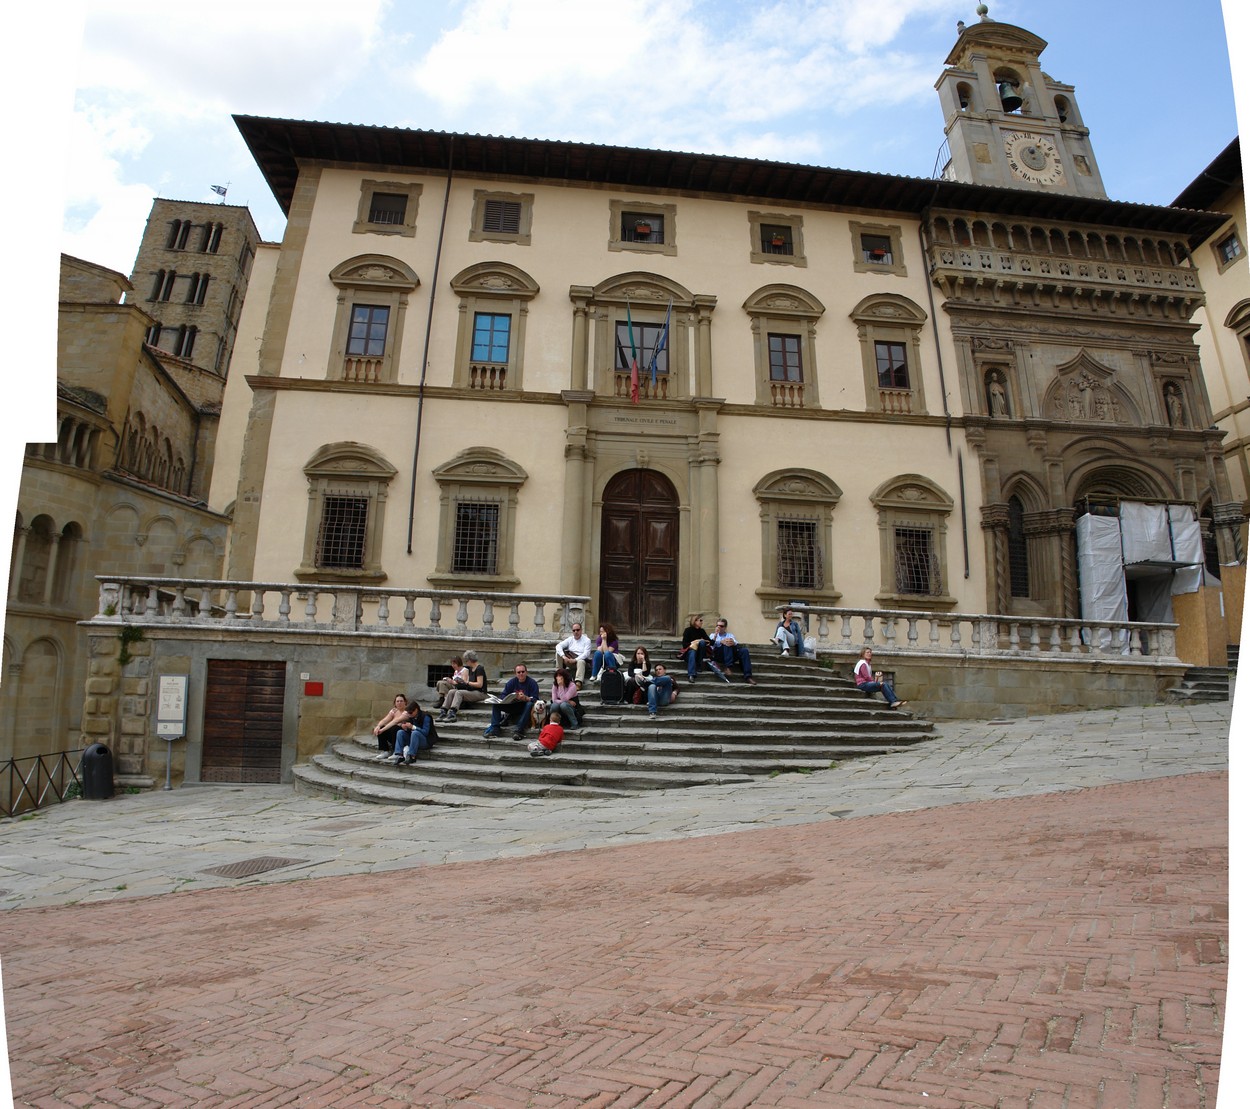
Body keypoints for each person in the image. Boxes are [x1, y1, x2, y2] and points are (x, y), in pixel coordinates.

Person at [483, 663, 541, 741]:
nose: (521, 674)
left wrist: (526, 698)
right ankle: (495, 729)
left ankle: (519, 730)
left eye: (523, 672)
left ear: (526, 672)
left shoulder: (532, 683)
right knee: (496, 705)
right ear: (515, 673)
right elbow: (503, 695)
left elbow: (536, 699)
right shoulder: (511, 682)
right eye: (519, 672)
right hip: (512, 705)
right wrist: (510, 698)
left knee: (529, 704)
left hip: (525, 707)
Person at [436, 649, 488, 722]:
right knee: (451, 691)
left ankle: (452, 713)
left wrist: (467, 682)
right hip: (471, 690)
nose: (466, 663)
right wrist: (461, 683)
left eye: (466, 661)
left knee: (459, 692)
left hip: (480, 693)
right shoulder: (470, 669)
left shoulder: (479, 669)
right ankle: (443, 711)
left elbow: (480, 684)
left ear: (470, 660)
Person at [710, 618, 756, 684]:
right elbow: (711, 647)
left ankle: (748, 676)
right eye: (717, 625)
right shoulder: (712, 635)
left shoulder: (730, 635)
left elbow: (736, 644)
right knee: (726, 643)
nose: (719, 627)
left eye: (721, 626)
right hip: (718, 655)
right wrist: (719, 640)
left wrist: (732, 642)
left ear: (725, 627)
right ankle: (728, 667)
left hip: (730, 654)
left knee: (744, 650)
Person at [680, 613, 723, 681]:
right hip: (690, 653)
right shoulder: (688, 630)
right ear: (695, 621)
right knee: (692, 652)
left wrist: (716, 634)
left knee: (702, 642)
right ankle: (691, 675)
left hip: (699, 654)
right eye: (700, 620)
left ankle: (699, 664)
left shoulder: (701, 631)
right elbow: (684, 644)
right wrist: (694, 642)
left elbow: (711, 642)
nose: (702, 622)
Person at [391, 699, 433, 763]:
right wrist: (405, 727)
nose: (409, 714)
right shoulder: (410, 717)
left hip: (426, 741)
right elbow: (408, 731)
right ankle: (400, 755)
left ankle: (412, 756)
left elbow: (425, 732)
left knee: (415, 733)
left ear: (416, 710)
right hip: (413, 740)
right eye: (408, 713)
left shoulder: (426, 717)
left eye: (410, 713)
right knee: (400, 732)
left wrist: (413, 727)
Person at [371, 693, 411, 760]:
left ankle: (397, 751)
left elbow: (395, 722)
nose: (399, 703)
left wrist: (383, 730)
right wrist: (378, 726)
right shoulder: (394, 711)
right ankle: (385, 751)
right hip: (393, 734)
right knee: (381, 727)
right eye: (397, 701)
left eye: (401, 701)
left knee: (394, 727)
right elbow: (385, 720)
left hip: (404, 736)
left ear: (405, 702)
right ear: (395, 703)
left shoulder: (407, 712)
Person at [554, 621, 593, 686]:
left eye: (577, 630)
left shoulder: (587, 640)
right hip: (569, 660)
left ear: (581, 630)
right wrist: (564, 656)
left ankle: (578, 682)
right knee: (558, 653)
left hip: (581, 662)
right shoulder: (570, 639)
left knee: (581, 661)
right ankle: (560, 675)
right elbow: (558, 646)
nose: (576, 632)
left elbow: (586, 653)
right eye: (574, 630)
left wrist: (575, 660)